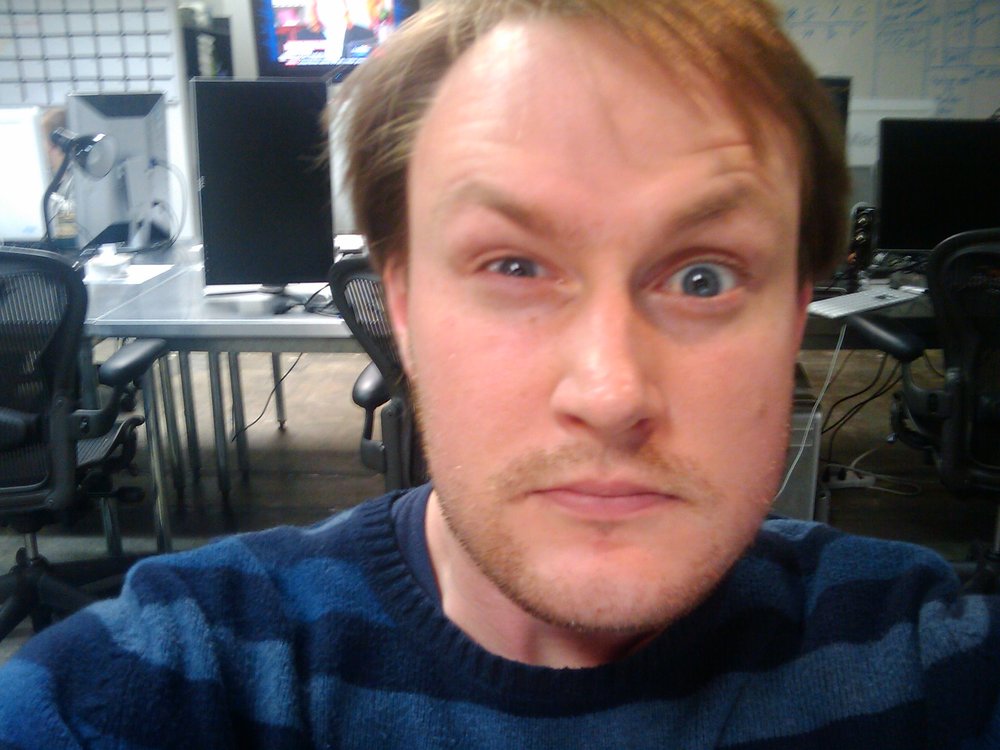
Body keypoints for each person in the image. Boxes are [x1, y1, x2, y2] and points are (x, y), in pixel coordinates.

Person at [1, 0, 998, 746]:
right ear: (400, 304)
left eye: (703, 276)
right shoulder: (184, 672)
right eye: (513, 266)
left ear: (793, 314)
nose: (609, 393)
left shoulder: (924, 664)